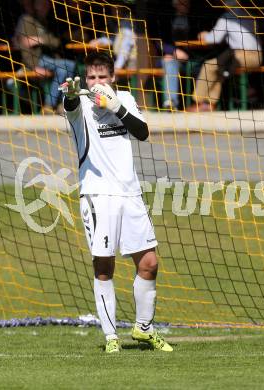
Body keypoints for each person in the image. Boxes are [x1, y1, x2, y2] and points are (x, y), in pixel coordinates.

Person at [60, 52, 173, 353]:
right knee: (104, 266)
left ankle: (144, 328)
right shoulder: (80, 104)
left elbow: (143, 132)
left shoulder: (124, 98)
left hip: (130, 193)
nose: (96, 83)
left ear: (112, 78)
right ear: (85, 80)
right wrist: (71, 96)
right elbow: (70, 106)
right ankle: (111, 338)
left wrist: (116, 106)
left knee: (149, 263)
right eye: (91, 78)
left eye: (102, 77)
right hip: (98, 195)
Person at [187, 8, 262, 112]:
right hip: (258, 57)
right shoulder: (250, 13)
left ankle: (199, 102)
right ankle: (209, 104)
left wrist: (204, 35)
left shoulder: (227, 16)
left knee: (209, 65)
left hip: (242, 55)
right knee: (220, 67)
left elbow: (214, 39)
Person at [13, 0, 75, 114]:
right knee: (70, 65)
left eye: (46, 3)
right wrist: (33, 66)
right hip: (37, 61)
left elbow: (57, 42)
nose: (44, 6)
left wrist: (39, 40)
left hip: (51, 61)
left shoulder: (50, 20)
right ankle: (54, 104)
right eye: (41, 3)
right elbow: (23, 46)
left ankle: (53, 105)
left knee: (63, 70)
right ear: (35, 4)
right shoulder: (27, 20)